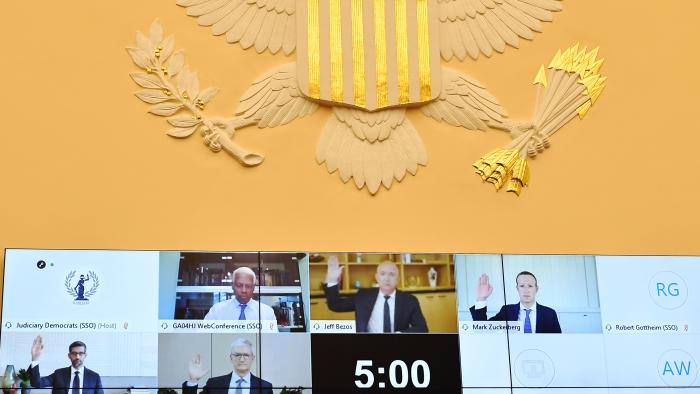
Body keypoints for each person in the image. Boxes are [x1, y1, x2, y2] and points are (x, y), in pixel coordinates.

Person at [324, 256, 428, 333]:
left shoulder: (409, 300)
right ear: (377, 277)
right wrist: (332, 280)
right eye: (383, 274)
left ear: (398, 279)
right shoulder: (363, 296)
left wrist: (399, 334)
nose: (387, 278)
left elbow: (422, 328)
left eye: (392, 274)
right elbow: (335, 304)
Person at [469, 271, 562, 333]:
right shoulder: (506, 311)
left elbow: (557, 343)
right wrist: (481, 299)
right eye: (522, 286)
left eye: (530, 286)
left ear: (536, 289)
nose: (526, 290)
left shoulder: (550, 313)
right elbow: (482, 329)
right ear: (517, 289)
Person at [182, 338, 272, 394]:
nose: (241, 359)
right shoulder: (214, 384)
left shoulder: (265, 387)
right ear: (231, 358)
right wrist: (192, 380)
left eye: (246, 355)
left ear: (253, 358)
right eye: (237, 355)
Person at [28, 335, 104, 394]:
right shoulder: (58, 374)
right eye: (74, 353)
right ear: (69, 355)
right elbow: (36, 383)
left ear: (85, 355)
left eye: (81, 353)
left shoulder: (94, 377)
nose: (77, 357)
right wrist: (35, 358)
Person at [204, 267, 277, 325]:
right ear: (232, 286)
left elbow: (273, 341)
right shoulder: (217, 311)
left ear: (254, 287)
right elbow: (204, 337)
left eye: (248, 286)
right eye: (239, 285)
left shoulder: (267, 312)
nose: (244, 290)